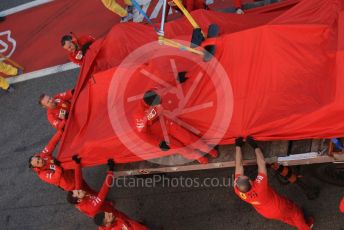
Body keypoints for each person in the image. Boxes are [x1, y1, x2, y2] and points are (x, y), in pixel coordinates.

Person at [233, 136, 314, 230]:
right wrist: (255, 146)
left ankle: (301, 225)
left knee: (284, 217)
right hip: (279, 206)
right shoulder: (259, 186)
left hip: (266, 213)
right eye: (247, 177)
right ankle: (305, 227)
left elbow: (238, 166)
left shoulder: (238, 188)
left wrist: (238, 146)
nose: (244, 175)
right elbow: (262, 163)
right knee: (295, 213)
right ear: (251, 183)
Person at [134, 89, 218, 164]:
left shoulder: (155, 91)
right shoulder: (139, 115)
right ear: (149, 105)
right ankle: (198, 157)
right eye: (156, 105)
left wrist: (177, 80)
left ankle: (207, 149)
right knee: (180, 148)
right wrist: (158, 144)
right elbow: (143, 134)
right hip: (160, 135)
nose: (159, 105)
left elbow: (165, 86)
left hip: (167, 124)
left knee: (188, 138)